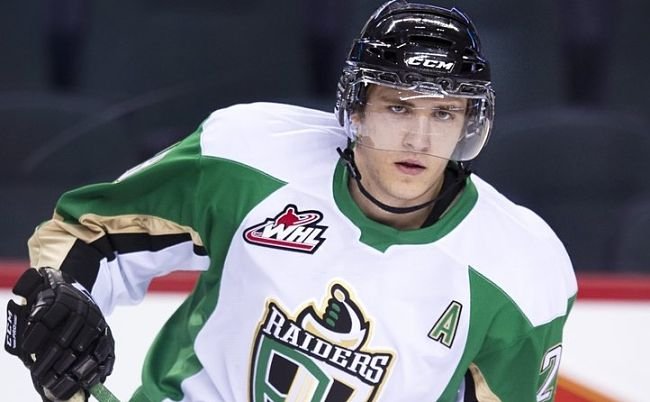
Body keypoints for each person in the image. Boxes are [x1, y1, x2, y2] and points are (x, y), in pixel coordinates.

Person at [4, 1, 577, 401]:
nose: (419, 139)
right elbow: (92, 233)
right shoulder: (249, 155)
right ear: (355, 108)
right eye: (399, 107)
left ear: (470, 122)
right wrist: (59, 297)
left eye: (444, 113)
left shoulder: (521, 268)